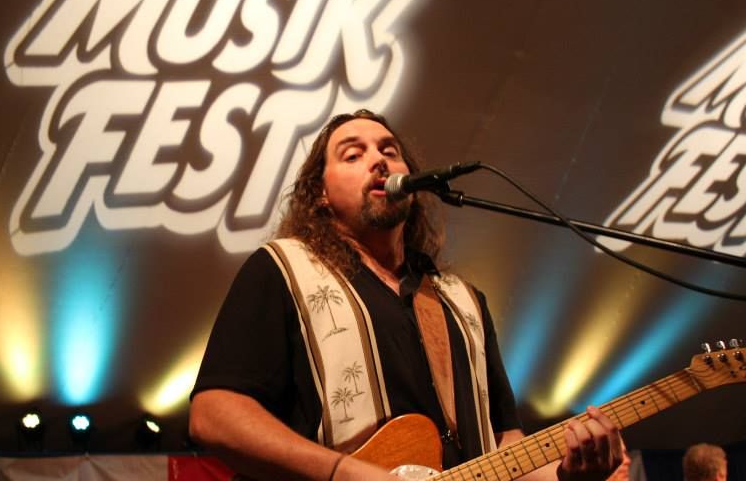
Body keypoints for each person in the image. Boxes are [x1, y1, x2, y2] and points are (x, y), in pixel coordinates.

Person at [190, 109, 622, 480]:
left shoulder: (465, 302)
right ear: (320, 194)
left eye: (389, 151)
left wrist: (570, 475)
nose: (378, 160)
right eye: (353, 154)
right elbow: (213, 414)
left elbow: (505, 444)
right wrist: (343, 472)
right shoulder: (283, 270)